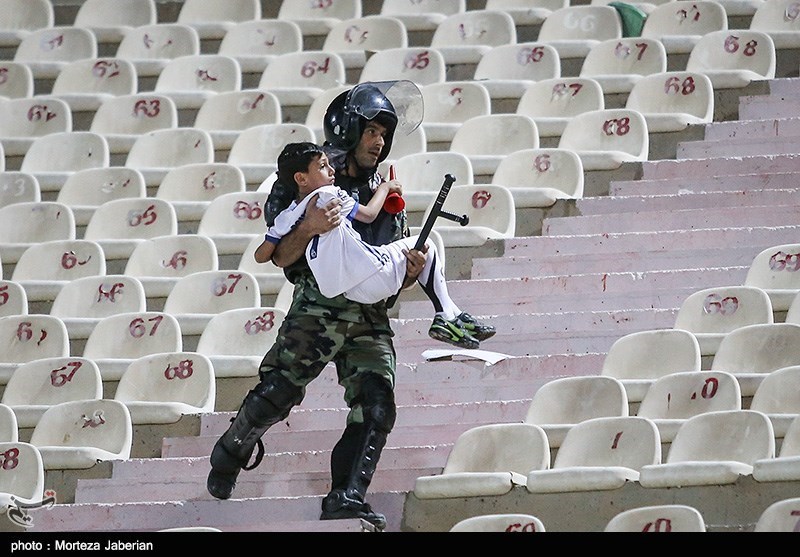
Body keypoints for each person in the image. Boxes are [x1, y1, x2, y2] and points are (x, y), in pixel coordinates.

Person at [206, 81, 441, 531]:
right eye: (371, 130)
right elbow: (279, 256)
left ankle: (346, 497)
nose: (379, 141)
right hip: (319, 306)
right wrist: (310, 226)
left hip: (370, 316)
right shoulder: (309, 174)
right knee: (278, 392)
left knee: (376, 406)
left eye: (383, 133)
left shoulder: (386, 190)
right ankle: (233, 448)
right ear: (349, 127)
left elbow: (391, 270)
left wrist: (410, 271)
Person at [256, 141, 496, 349]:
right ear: (301, 178)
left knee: (415, 250)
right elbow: (369, 215)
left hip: (345, 287)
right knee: (427, 245)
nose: (331, 170)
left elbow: (263, 255)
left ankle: (452, 314)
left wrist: (301, 231)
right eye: (322, 166)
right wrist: (385, 187)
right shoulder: (331, 194)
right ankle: (445, 314)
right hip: (369, 273)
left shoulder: (290, 213)